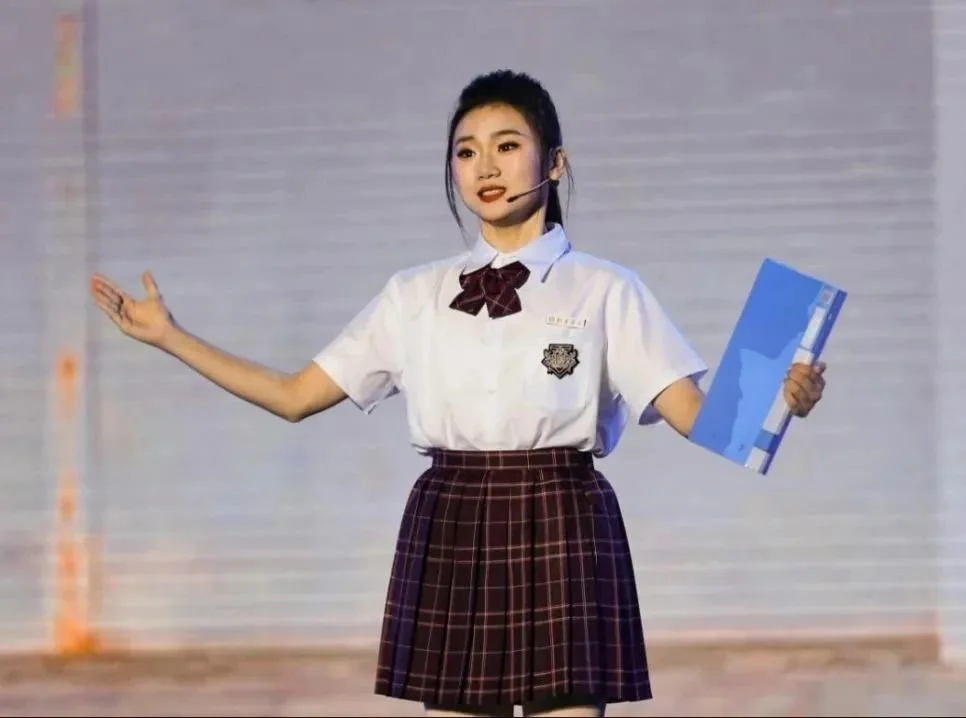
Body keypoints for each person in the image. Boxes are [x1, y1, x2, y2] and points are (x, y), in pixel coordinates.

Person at [89, 69, 827, 718]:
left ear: (555, 162)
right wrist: (171, 337)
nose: (486, 166)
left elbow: (697, 415)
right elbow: (293, 396)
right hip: (453, 519)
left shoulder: (606, 288)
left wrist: (782, 398)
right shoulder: (414, 294)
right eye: (466, 151)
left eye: (507, 145)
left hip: (563, 516)